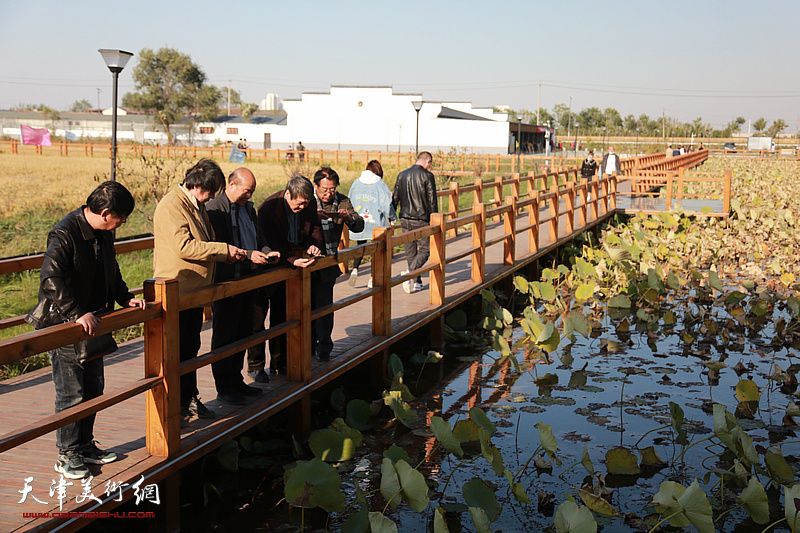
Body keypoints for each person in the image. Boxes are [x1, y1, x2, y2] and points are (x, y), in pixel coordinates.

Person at [26, 181, 146, 480]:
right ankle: (67, 453)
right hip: (66, 322)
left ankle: (84, 445)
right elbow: (50, 278)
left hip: (94, 321)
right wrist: (76, 313)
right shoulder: (65, 232)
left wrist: (124, 298)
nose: (123, 223)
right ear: (106, 213)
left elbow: (112, 270)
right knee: (72, 392)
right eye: (122, 218)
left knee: (94, 389)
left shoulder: (103, 234)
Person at [153, 159, 246, 421]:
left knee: (190, 346)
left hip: (194, 290)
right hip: (177, 289)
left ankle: (188, 398)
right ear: (198, 186)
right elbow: (184, 246)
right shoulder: (173, 206)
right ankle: (174, 407)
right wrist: (222, 250)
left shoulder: (195, 205)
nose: (213, 197)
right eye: (212, 191)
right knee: (176, 351)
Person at [206, 168, 280, 404]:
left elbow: (259, 239)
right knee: (225, 335)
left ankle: (236, 381)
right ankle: (224, 387)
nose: (249, 196)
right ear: (232, 184)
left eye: (252, 192)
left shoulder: (249, 209)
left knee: (243, 333)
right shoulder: (214, 209)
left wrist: (268, 253)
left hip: (249, 279)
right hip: (227, 282)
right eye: (247, 191)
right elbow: (219, 246)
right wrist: (249, 255)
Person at [257, 174, 323, 374]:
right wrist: (289, 259)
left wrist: (315, 246)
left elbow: (315, 229)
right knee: (277, 316)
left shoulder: (309, 205)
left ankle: (292, 357)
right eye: (299, 203)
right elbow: (268, 241)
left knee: (298, 312)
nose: (302, 207)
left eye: (306, 203)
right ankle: (276, 363)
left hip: (299, 264)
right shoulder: (269, 208)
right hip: (275, 266)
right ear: (288, 194)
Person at [311, 167, 364, 361]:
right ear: (315, 186)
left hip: (328, 263)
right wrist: (311, 217)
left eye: (332, 190)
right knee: (306, 307)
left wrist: (349, 218)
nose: (328, 194)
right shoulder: (307, 199)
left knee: (324, 308)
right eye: (324, 190)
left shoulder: (342, 201)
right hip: (307, 262)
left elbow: (359, 225)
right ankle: (307, 347)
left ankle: (324, 348)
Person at [392, 151, 438, 293]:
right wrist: (434, 217)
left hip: (405, 218)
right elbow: (432, 199)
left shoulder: (402, 174)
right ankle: (410, 273)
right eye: (430, 164)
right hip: (422, 218)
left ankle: (416, 281)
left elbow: (395, 197)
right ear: (427, 161)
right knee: (425, 249)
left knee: (410, 250)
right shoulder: (427, 176)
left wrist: (392, 216)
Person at [347, 160, 396, 288]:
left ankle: (355, 270)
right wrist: (392, 218)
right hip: (376, 223)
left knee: (360, 247)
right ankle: (372, 277)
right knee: (375, 249)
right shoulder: (380, 184)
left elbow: (349, 200)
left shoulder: (356, 183)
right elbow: (387, 204)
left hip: (359, 221)